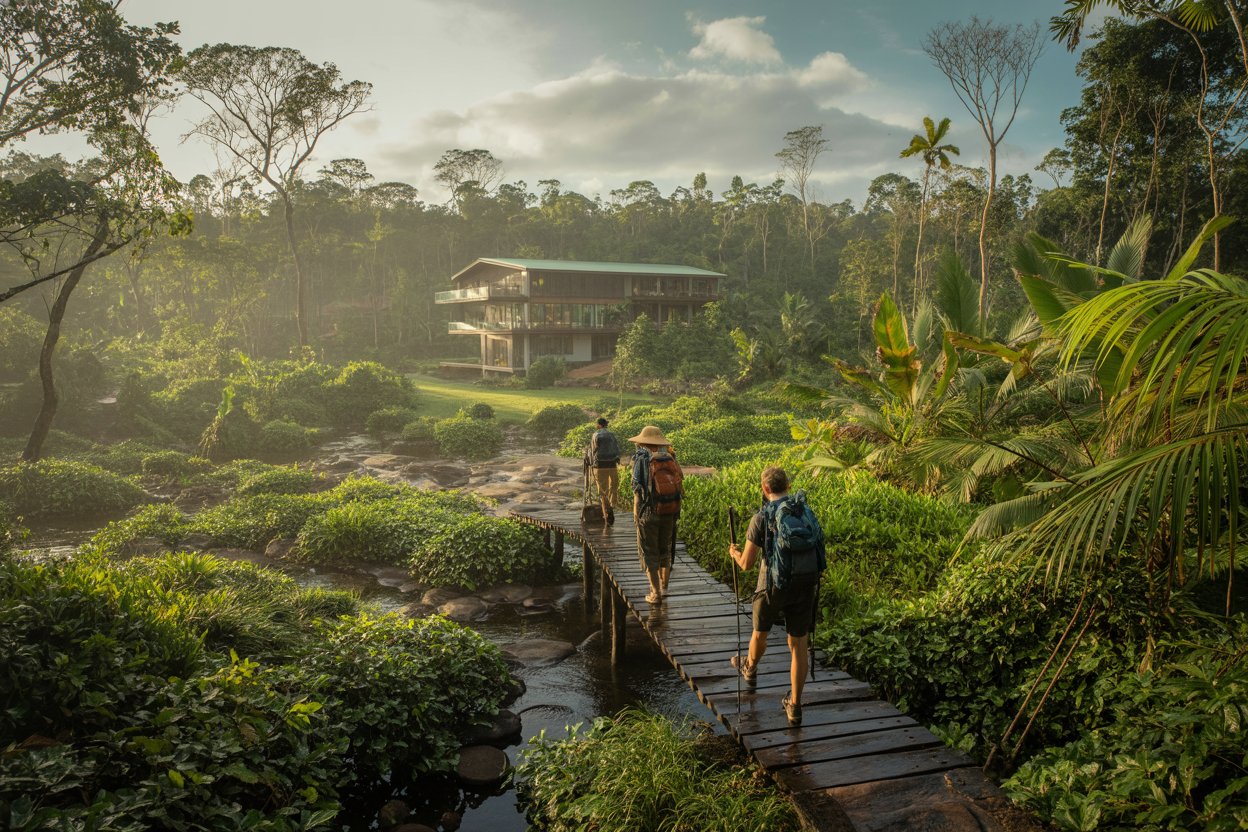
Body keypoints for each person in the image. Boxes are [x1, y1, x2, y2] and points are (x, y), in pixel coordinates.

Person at [727, 466, 824, 727]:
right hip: (805, 585)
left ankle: (749, 668)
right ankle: (795, 705)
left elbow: (746, 564)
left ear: (765, 488)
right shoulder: (804, 512)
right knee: (799, 644)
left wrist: (734, 553)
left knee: (760, 633)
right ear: (788, 486)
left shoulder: (762, 517)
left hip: (771, 586)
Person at [629, 425, 683, 604]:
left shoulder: (642, 459)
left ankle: (655, 593)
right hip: (669, 510)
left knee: (649, 552)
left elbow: (637, 489)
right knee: (664, 549)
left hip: (649, 512)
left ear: (643, 442)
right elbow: (680, 485)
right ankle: (664, 588)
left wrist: (636, 514)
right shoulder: (670, 457)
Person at [586, 417, 621, 525]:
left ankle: (606, 509)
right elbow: (617, 449)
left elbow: (593, 450)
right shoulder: (611, 435)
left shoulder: (596, 435)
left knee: (602, 490)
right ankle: (612, 505)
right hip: (612, 465)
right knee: (613, 487)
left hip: (600, 466)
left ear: (599, 425)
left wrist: (591, 463)